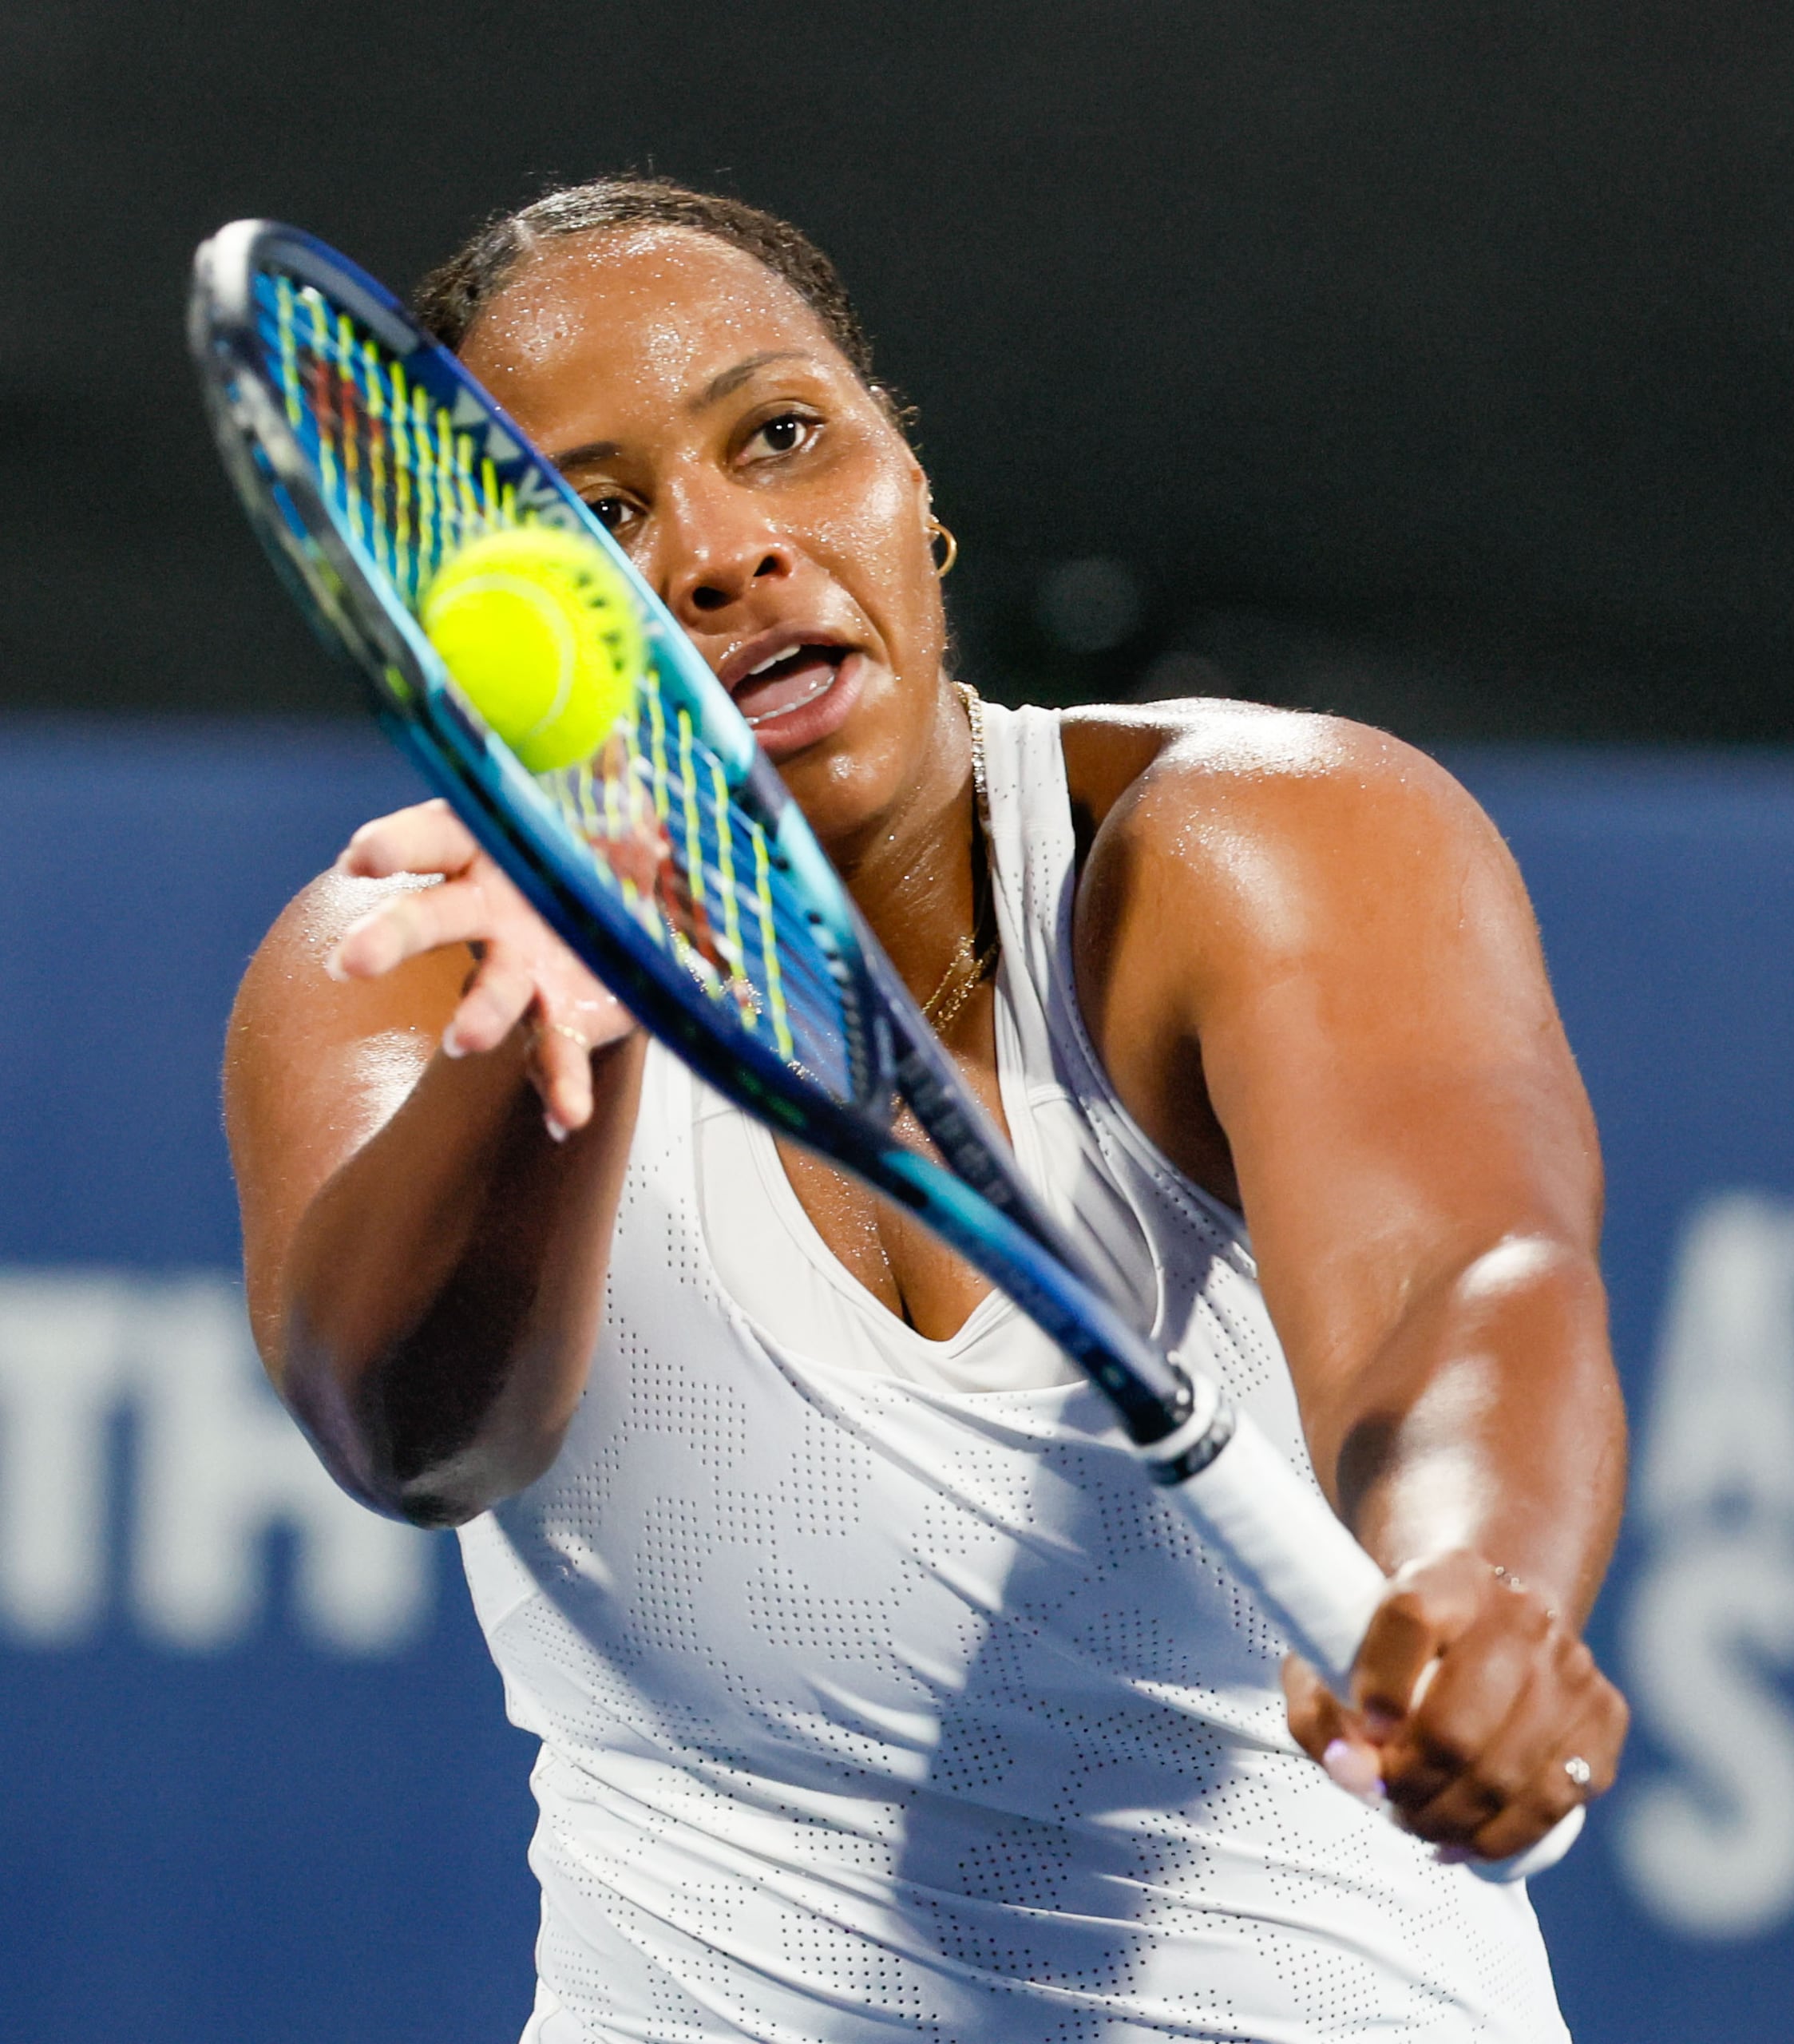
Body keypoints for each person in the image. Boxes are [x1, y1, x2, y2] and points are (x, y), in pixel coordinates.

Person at [223, 180, 1628, 2044]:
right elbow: (418, 1435)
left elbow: (1464, 1279)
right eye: (602, 515)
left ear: (914, 493)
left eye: (783, 436)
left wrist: (1472, 1575)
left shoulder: (1251, 837)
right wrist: (563, 1022)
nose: (725, 553)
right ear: (491, 627)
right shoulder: (405, 950)